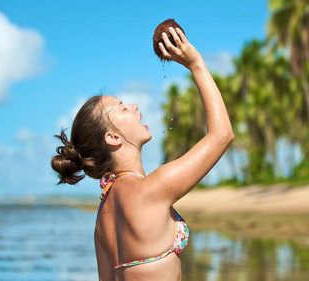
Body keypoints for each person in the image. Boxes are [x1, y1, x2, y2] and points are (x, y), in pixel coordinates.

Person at [51, 26, 234, 281]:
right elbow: (222, 135)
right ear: (113, 137)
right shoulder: (152, 190)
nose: (135, 106)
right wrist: (195, 64)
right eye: (123, 108)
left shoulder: (103, 216)